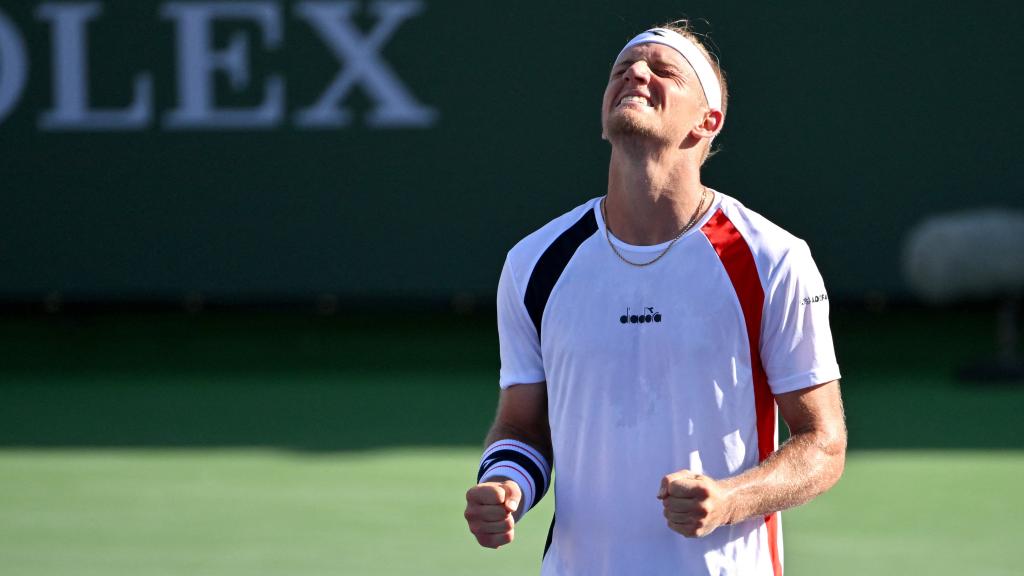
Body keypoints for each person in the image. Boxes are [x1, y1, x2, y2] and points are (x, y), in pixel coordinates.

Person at [463, 21, 846, 576]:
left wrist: (730, 500)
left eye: (664, 71)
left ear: (707, 122)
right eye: (622, 70)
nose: (637, 73)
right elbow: (522, 427)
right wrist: (506, 486)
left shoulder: (773, 259)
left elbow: (823, 444)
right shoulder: (534, 262)